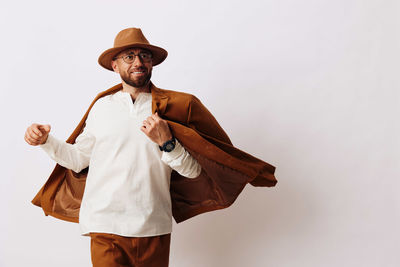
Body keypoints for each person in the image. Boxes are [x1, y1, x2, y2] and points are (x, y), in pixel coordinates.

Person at [25, 27, 278, 267]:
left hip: (152, 226)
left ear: (152, 63)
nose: (138, 62)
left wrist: (166, 141)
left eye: (144, 56)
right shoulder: (102, 107)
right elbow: (79, 159)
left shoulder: (174, 108)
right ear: (115, 65)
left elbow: (193, 172)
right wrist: (46, 141)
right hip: (104, 226)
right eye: (129, 56)